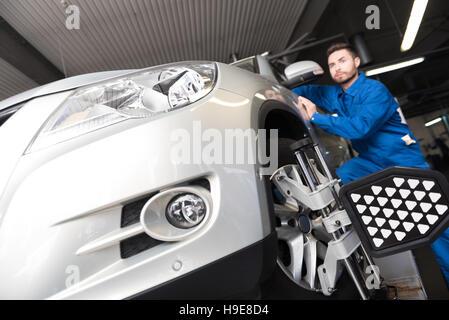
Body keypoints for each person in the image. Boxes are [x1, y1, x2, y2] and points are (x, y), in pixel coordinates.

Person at [292, 42, 449, 287]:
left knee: (438, 230)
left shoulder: (375, 90)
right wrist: (277, 88)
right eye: (332, 65)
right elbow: (308, 90)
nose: (337, 68)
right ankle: (357, 234)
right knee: (342, 176)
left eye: (342, 60)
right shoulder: (338, 94)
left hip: (404, 164)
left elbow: (360, 128)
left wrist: (315, 117)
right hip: (371, 163)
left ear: (356, 62)